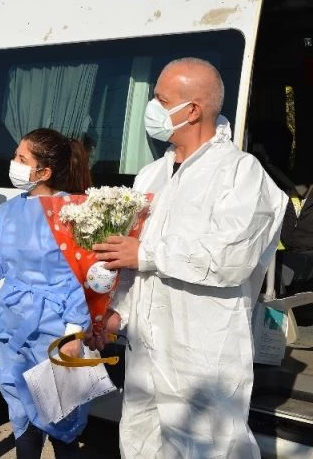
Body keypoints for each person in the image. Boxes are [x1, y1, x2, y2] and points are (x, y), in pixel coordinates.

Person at [88, 58, 287, 458]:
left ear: (192, 110)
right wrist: (116, 314)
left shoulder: (240, 174)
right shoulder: (150, 175)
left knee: (210, 445)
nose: (152, 108)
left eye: (161, 100)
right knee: (140, 440)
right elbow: (132, 265)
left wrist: (147, 254)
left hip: (202, 350)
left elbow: (232, 258)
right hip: (145, 346)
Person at [0, 128, 93, 459]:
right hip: (12, 330)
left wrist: (74, 332)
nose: (13, 162)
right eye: (15, 155)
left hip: (55, 331)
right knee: (23, 417)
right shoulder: (10, 210)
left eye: (21, 158)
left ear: (44, 171)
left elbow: (80, 276)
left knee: (63, 423)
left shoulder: (72, 212)